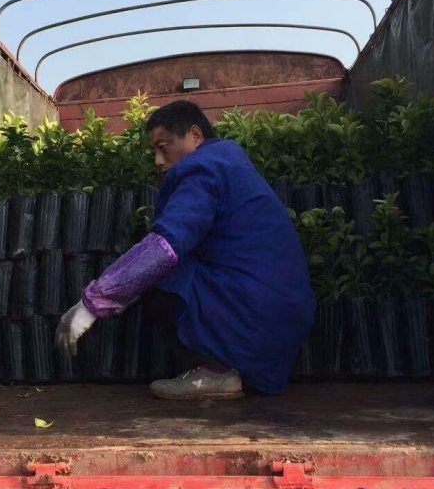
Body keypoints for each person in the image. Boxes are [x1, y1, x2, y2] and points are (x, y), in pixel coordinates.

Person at [56, 100, 315, 399]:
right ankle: (234, 370)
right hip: (280, 313)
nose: (157, 160)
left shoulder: (204, 169)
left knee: (159, 272)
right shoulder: (229, 162)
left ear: (195, 135)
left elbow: (166, 247)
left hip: (257, 312)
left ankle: (215, 372)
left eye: (163, 146)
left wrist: (93, 304)